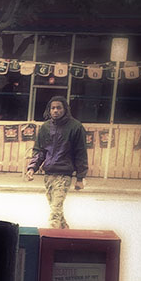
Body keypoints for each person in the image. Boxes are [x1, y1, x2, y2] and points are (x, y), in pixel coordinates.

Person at [25, 96, 88, 229]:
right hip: (48, 174)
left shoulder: (76, 127)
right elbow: (40, 151)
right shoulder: (45, 127)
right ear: (49, 110)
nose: (55, 111)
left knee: (55, 211)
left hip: (64, 174)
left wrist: (80, 177)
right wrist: (32, 168)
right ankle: (65, 232)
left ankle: (50, 237)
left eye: (59, 108)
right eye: (53, 108)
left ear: (65, 109)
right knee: (56, 208)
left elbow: (80, 153)